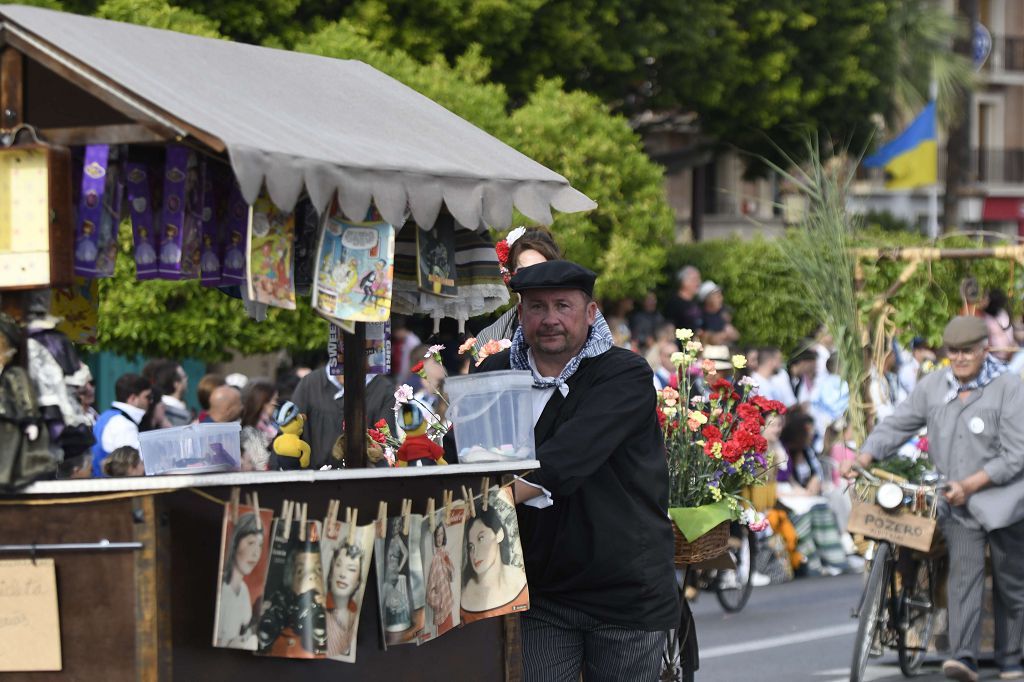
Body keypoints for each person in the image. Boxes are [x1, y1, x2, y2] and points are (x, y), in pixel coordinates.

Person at [475, 260, 678, 681]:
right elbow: (464, 448)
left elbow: (568, 457)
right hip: (540, 590)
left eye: (562, 305)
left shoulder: (623, 373)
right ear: (520, 314)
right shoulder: (497, 374)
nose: (550, 318)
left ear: (590, 313)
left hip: (624, 587)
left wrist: (493, 497)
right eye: (537, 307)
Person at [851, 316, 1024, 682]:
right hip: (958, 502)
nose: (959, 358)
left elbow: (1017, 453)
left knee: (1010, 583)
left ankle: (1011, 658)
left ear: (984, 350)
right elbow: (899, 423)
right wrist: (864, 456)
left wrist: (971, 484)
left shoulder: (1008, 386)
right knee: (964, 574)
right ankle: (964, 657)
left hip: (1007, 501)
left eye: (967, 352)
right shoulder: (934, 385)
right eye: (953, 352)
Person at [289, 366, 395, 468]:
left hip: (364, 475)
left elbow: (387, 444)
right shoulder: (310, 384)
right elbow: (289, 433)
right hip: (315, 476)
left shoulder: (383, 390)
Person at [461, 505, 528, 615]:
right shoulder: (466, 596)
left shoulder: (519, 579)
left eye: (481, 538)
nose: (475, 553)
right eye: (471, 546)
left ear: (499, 535)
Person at [216, 512, 265, 649]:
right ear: (235, 542)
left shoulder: (243, 590)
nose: (256, 553)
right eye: (251, 543)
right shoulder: (221, 590)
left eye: (260, 545)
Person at [92, 373, 151, 477]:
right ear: (133, 398)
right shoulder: (124, 425)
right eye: (148, 397)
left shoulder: (108, 416)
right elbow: (130, 468)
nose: (151, 401)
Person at [325, 542, 365, 657]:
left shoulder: (356, 615)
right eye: (338, 565)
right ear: (331, 573)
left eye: (351, 569)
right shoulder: (318, 614)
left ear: (358, 581)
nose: (342, 574)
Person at [239, 379, 277, 471]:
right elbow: (262, 464)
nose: (276, 404)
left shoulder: (271, 425)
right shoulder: (249, 432)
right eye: (275, 399)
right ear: (263, 401)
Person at [425, 523, 455, 633]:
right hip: (442, 611)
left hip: (449, 607)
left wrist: (447, 563)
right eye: (437, 535)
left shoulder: (445, 555)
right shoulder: (435, 560)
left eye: (441, 534)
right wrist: (439, 602)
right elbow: (429, 593)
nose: (439, 538)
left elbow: (452, 577)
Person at [664, 265, 703, 341]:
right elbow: (669, 328)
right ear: (684, 282)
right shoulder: (674, 303)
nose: (699, 283)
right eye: (695, 279)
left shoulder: (695, 303)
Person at [150, 360, 192, 426]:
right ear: (176, 383)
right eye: (184, 376)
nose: (187, 379)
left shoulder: (155, 407)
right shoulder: (181, 415)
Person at [698, 280, 739, 345]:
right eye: (718, 296)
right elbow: (704, 339)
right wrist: (724, 335)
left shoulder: (721, 313)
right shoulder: (699, 316)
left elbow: (735, 335)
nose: (721, 299)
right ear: (707, 299)